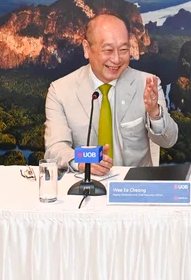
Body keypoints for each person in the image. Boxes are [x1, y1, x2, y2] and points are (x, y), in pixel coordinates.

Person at [45, 12, 178, 174]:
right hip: (85, 184)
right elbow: (54, 148)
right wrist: (81, 162)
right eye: (108, 50)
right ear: (87, 49)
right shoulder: (60, 90)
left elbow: (168, 141)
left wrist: (155, 113)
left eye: (123, 50)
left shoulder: (148, 84)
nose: (116, 59)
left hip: (134, 188)